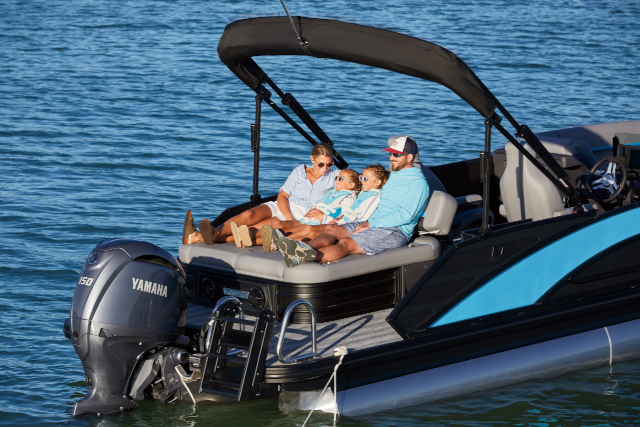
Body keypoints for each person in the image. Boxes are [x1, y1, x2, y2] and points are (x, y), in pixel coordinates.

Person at [274, 136, 429, 267]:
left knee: (346, 243)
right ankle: (301, 249)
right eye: (390, 154)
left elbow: (406, 215)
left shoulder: (418, 184)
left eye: (396, 155)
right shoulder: (393, 175)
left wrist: (370, 224)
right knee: (332, 229)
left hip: (394, 231)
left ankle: (301, 258)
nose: (391, 158)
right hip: (372, 222)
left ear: (409, 157)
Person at [182, 143, 339, 247]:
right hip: (283, 206)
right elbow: (282, 196)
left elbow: (351, 179)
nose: (325, 168)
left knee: (252, 229)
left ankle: (198, 237)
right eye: (321, 164)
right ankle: (213, 232)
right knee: (248, 215)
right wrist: (287, 215)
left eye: (329, 164)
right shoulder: (299, 171)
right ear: (312, 159)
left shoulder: (334, 176)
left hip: (300, 215)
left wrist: (291, 220)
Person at [260, 164, 389, 249]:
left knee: (308, 229)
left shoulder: (369, 196)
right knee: (280, 224)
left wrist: (327, 218)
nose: (336, 181)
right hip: (323, 220)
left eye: (366, 179)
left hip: (339, 225)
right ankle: (255, 237)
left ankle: (278, 243)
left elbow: (360, 218)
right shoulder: (360, 194)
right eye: (361, 177)